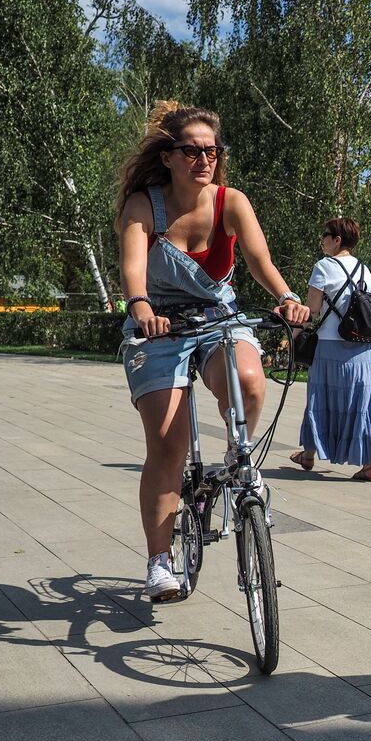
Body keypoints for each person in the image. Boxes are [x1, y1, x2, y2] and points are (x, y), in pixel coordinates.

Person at [116, 101, 310, 602]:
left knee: (249, 380)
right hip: (158, 325)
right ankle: (160, 561)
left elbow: (260, 260)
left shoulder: (231, 201)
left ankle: (237, 453)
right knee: (167, 444)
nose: (204, 159)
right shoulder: (145, 205)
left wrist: (286, 297)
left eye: (212, 151)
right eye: (192, 151)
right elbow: (134, 268)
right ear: (169, 157)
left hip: (216, 318)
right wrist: (139, 305)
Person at [288, 217, 371, 483]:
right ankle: (370, 466)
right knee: (366, 406)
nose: (322, 239)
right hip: (369, 350)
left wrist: (293, 336)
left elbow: (312, 311)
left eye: (325, 234)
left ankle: (308, 454)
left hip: (332, 347)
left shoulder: (323, 267)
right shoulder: (365, 270)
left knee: (320, 400)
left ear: (337, 240)